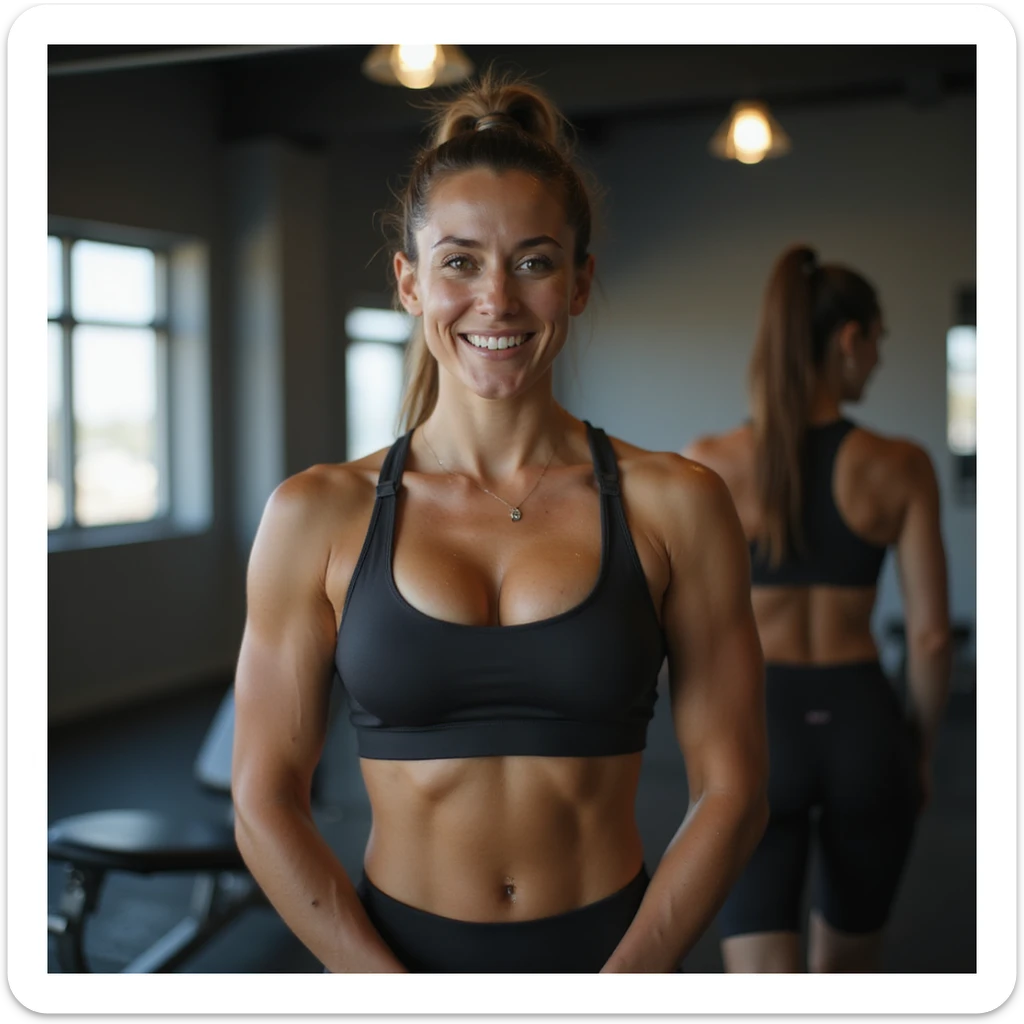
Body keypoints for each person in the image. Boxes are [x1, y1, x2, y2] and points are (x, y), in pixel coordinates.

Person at [231, 72, 768, 974]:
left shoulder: (677, 502)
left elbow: (735, 788)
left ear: (580, 282)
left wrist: (625, 988)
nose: (498, 299)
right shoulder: (315, 515)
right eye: (460, 262)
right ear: (409, 284)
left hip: (617, 955)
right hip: (398, 960)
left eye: (533, 260)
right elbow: (262, 798)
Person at [683, 244, 952, 973]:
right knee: (849, 973)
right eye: (879, 342)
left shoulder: (709, 462)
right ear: (848, 341)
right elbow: (930, 638)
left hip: (756, 730)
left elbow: (685, 637)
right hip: (865, 730)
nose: (879, 361)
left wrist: (702, 757)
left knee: (761, 977)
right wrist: (918, 753)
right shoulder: (901, 466)